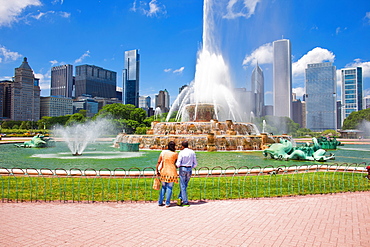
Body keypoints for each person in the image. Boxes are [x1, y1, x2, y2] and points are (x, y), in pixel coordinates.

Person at [156, 141, 178, 207]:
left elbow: (159, 162)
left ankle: (160, 201)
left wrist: (157, 170)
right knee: (169, 187)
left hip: (164, 171)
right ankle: (167, 203)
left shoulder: (163, 153)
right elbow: (176, 163)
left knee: (163, 187)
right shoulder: (175, 154)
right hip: (172, 172)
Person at [176, 140, 197, 207]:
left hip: (182, 169)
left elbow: (178, 163)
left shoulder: (181, 152)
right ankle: (180, 198)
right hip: (189, 169)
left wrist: (176, 166)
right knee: (185, 185)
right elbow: (195, 163)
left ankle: (185, 201)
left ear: (182, 146)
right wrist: (191, 166)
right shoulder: (192, 152)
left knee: (182, 185)